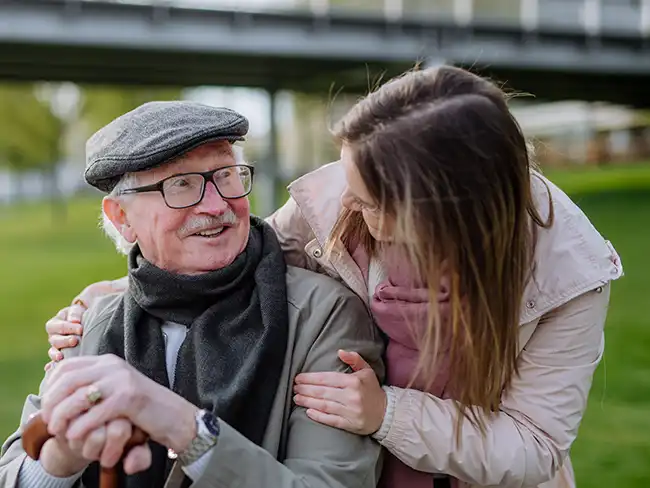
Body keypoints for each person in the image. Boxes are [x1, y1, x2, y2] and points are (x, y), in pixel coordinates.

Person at [44, 66, 622, 488]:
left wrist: (386, 413)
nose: (349, 207)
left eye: (368, 202)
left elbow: (534, 442)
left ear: (437, 219)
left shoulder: (566, 273)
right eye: (350, 185)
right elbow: (231, 249)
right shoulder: (348, 195)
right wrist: (120, 297)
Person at [0, 101, 385, 488]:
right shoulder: (87, 325)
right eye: (181, 185)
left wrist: (182, 427)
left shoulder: (322, 315)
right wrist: (59, 459)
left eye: (226, 175)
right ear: (122, 217)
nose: (217, 205)